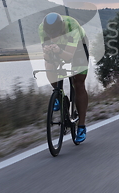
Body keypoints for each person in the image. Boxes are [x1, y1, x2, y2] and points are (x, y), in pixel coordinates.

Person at [38, 12, 89, 143]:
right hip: (60, 47)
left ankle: (81, 126)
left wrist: (59, 51)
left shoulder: (72, 27)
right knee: (49, 66)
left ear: (61, 29)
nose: (52, 37)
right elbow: (47, 58)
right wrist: (49, 54)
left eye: (55, 34)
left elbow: (69, 57)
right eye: (50, 35)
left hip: (78, 48)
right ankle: (60, 97)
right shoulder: (42, 29)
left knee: (78, 83)